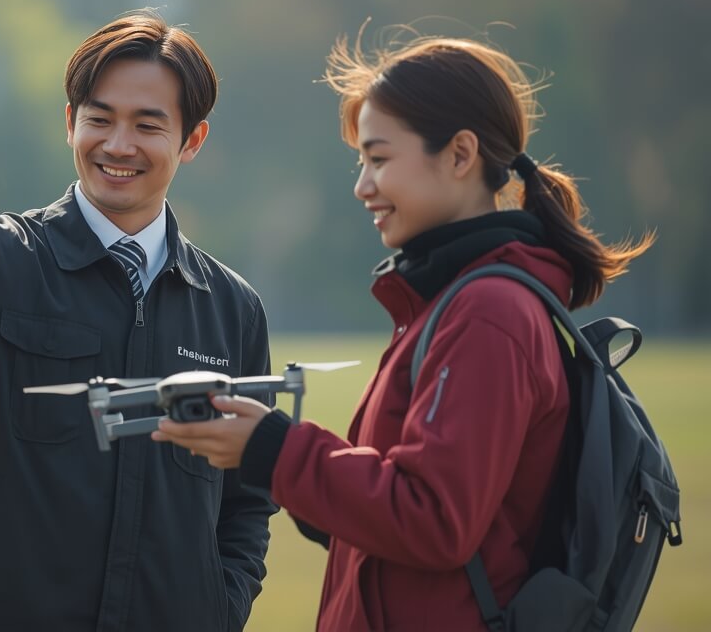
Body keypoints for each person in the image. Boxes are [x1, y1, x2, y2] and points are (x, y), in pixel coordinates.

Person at [154, 33, 653, 630]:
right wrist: (282, 463)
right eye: (361, 162)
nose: (363, 186)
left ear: (460, 154)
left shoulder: (490, 312)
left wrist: (275, 448)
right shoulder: (451, 302)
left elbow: (436, 520)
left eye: (380, 159)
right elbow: (391, 519)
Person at [0, 10, 278, 632]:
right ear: (69, 123)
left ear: (192, 141)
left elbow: (247, 498)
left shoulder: (232, 309)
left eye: (147, 125)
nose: (117, 145)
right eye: (99, 119)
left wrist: (220, 606)